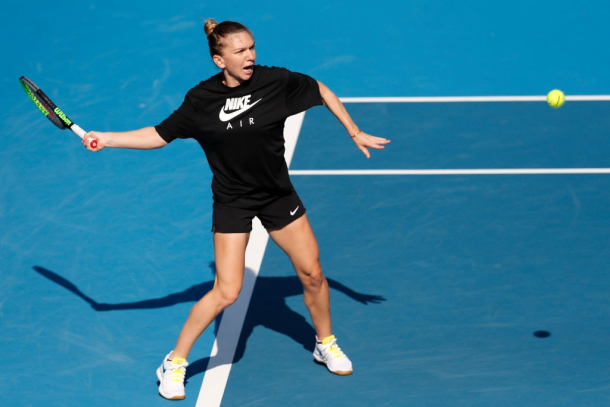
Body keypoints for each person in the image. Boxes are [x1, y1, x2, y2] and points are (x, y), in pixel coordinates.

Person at [83, 19, 390, 401]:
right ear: (218, 60)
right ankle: (174, 363)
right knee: (227, 291)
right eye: (240, 51)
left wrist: (353, 129)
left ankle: (324, 342)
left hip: (277, 194)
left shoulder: (273, 81)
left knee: (312, 274)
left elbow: (318, 89)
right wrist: (107, 138)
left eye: (252, 47)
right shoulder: (201, 101)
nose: (250, 56)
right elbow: (159, 135)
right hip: (233, 201)